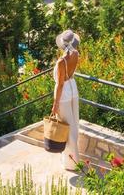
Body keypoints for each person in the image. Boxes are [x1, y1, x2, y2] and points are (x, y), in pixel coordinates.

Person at [52, 30, 80, 171]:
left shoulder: (61, 62)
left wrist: (55, 104)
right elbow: (70, 74)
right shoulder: (76, 54)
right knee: (74, 123)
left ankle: (71, 162)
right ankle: (75, 158)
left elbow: (60, 84)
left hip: (64, 93)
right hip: (73, 88)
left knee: (66, 128)